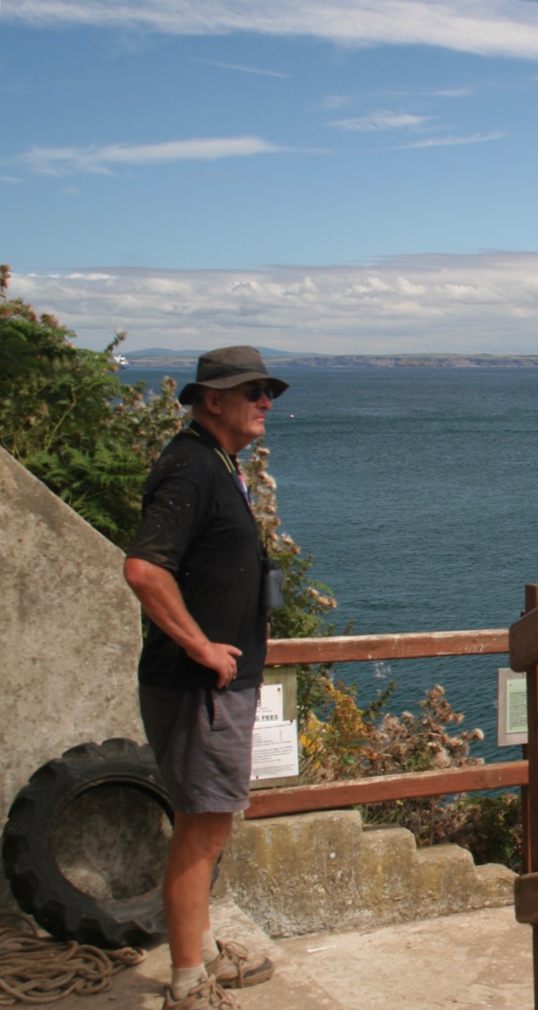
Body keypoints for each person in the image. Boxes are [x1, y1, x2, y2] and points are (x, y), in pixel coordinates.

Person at [124, 346, 289, 1010]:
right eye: (250, 392)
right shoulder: (192, 470)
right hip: (202, 688)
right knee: (204, 824)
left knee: (209, 820)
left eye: (265, 391)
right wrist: (201, 648)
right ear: (209, 400)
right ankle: (190, 979)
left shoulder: (215, 464)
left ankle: (204, 951)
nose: (264, 403)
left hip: (216, 685)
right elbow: (144, 569)